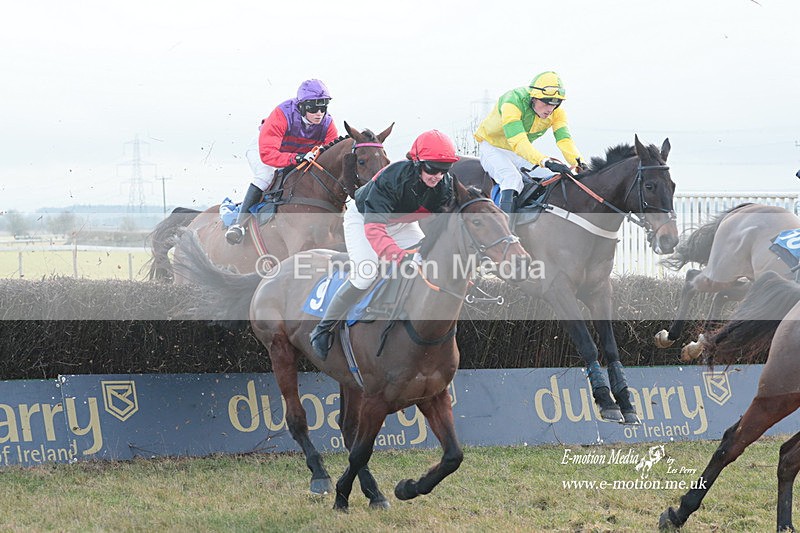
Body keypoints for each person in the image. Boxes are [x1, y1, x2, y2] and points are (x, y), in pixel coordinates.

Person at [309, 130, 459, 360]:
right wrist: (399, 257)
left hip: (403, 223)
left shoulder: (444, 185)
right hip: (366, 219)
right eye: (432, 168)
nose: (438, 176)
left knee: (428, 266)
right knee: (366, 272)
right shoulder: (392, 177)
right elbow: (375, 230)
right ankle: (322, 329)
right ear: (417, 162)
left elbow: (442, 226)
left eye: (444, 169)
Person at [225, 79, 339, 245]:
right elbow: (268, 155)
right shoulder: (282, 114)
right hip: (264, 149)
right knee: (266, 175)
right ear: (302, 106)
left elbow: (329, 156)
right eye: (314, 107)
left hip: (297, 153)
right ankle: (238, 225)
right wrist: (295, 158)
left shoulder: (327, 124)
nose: (319, 113)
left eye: (323, 107)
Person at [474, 71, 586, 215]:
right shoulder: (512, 101)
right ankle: (506, 231)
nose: (550, 109)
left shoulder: (557, 113)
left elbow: (564, 140)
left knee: (551, 177)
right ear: (534, 97)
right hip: (492, 147)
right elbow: (518, 142)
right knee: (512, 179)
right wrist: (545, 161)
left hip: (518, 152)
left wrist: (579, 163)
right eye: (546, 102)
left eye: (556, 103)